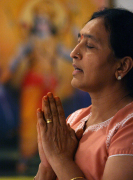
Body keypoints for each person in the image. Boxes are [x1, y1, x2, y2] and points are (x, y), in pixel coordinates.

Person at [34, 8, 133, 180]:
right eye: (78, 41)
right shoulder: (74, 120)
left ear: (122, 66)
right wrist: (47, 165)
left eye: (89, 46)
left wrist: (59, 159)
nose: (74, 53)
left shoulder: (128, 126)